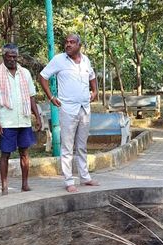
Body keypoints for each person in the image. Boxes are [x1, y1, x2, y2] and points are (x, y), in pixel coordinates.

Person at [38, 34, 99, 193]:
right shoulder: (59, 60)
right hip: (67, 109)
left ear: (79, 45)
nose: (68, 45)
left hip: (84, 108)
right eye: (66, 42)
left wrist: (95, 91)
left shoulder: (86, 60)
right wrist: (51, 97)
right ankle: (69, 181)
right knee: (67, 146)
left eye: (72, 42)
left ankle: (85, 177)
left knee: (82, 145)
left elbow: (92, 76)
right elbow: (43, 77)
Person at [0, 44, 42, 195]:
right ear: (4, 56)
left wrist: (37, 116)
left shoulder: (25, 73)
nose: (12, 59)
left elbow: (31, 97)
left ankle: (25, 184)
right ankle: (4, 186)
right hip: (6, 121)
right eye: (9, 56)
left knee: (24, 152)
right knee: (5, 154)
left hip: (24, 119)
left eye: (14, 57)